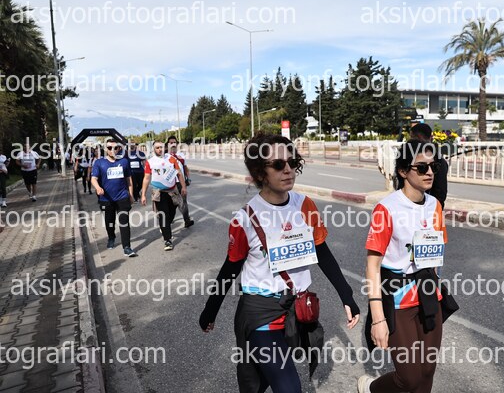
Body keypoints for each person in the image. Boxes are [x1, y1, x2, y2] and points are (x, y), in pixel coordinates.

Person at [199, 133, 360, 393]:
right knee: (288, 386)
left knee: (259, 382)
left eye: (292, 162)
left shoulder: (304, 205)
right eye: (277, 164)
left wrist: (347, 296)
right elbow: (230, 268)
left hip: (297, 310)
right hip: (260, 312)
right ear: (259, 173)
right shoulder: (245, 218)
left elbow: (322, 253)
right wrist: (210, 310)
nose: (288, 170)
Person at [358, 140, 454, 393]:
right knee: (409, 378)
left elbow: (436, 255)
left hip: (429, 295)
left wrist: (436, 290)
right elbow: (372, 266)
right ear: (402, 171)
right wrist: (378, 318)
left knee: (427, 371)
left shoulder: (435, 205)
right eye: (421, 168)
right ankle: (371, 388)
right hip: (399, 300)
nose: (430, 172)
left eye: (434, 167)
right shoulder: (387, 208)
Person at [90, 139, 137, 257]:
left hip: (122, 196)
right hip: (107, 198)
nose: (112, 150)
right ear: (106, 149)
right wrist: (98, 188)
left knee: (124, 221)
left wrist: (131, 195)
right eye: (109, 148)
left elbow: (129, 179)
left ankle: (127, 247)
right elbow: (93, 178)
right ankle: (111, 237)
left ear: (118, 149)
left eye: (115, 148)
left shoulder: (124, 162)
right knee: (109, 221)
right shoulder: (99, 163)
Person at [140, 141, 186, 251]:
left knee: (172, 213)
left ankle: (165, 227)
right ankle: (167, 240)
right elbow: (146, 178)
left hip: (172, 191)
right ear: (153, 149)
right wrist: (143, 195)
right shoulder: (150, 162)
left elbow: (179, 174)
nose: (160, 149)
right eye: (157, 147)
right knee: (163, 215)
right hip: (159, 192)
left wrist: (183, 187)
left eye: (161, 147)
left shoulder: (171, 159)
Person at [410, 123, 449, 209]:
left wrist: (434, 211)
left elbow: (440, 193)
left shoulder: (439, 161)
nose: (430, 172)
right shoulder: (409, 158)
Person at [166, 136, 193, 227]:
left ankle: (187, 221)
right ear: (168, 144)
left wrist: (188, 178)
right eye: (171, 143)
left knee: (183, 202)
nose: (173, 144)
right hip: (170, 184)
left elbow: (185, 168)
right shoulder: (165, 156)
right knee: (172, 204)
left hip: (181, 182)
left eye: (174, 142)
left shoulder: (181, 155)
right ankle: (168, 222)